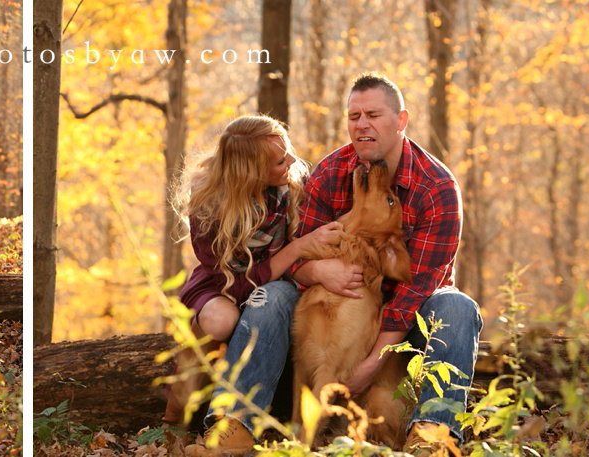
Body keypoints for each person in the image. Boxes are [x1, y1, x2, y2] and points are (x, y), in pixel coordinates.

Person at [190, 73, 482, 457]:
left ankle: (434, 434)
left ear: (401, 120)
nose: (362, 125)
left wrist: (371, 364)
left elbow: (418, 289)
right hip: (335, 312)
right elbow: (297, 251)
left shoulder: (438, 187)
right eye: (354, 115)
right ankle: (234, 426)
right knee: (272, 295)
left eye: (373, 114)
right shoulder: (330, 173)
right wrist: (313, 271)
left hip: (406, 324)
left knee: (457, 307)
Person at [164, 115, 342, 440]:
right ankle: (176, 411)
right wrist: (298, 248)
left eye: (287, 151)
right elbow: (241, 281)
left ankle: (245, 421)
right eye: (279, 161)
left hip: (279, 288)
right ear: (251, 172)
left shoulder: (293, 188)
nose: (292, 161)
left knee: (273, 301)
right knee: (220, 321)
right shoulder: (209, 209)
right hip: (225, 286)